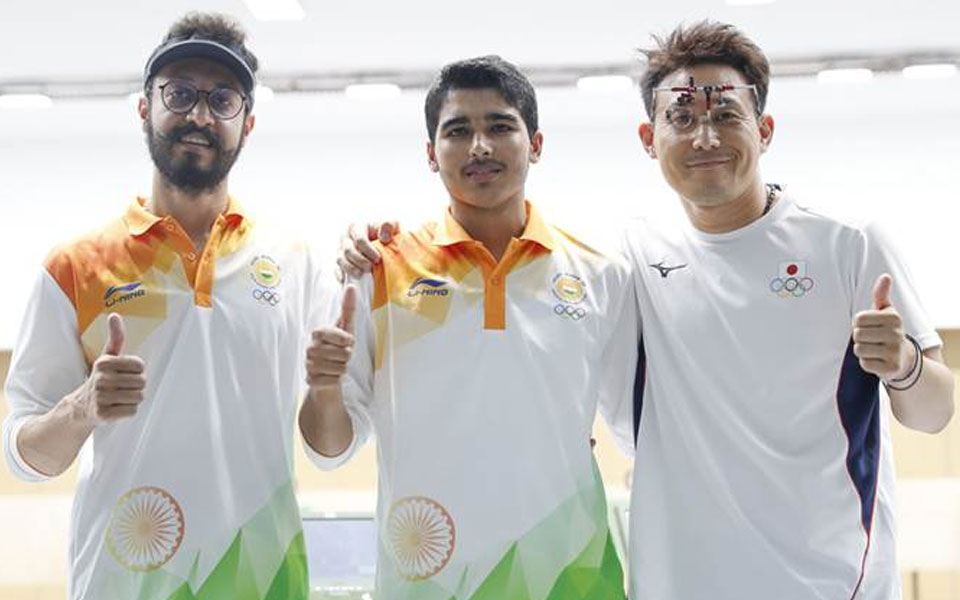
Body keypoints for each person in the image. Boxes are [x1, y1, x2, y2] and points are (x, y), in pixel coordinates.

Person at [338, 22, 955, 600]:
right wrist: (373, 240)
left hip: (828, 581)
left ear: (764, 130)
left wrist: (901, 365)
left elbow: (935, 412)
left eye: (726, 115)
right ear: (649, 138)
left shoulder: (848, 245)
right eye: (682, 117)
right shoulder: (627, 263)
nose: (705, 137)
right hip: (677, 581)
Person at [2, 13, 332, 600]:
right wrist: (83, 407)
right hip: (122, 584)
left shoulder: (295, 262)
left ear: (247, 124)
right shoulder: (75, 266)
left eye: (222, 99)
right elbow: (27, 459)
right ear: (144, 108)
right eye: (179, 94)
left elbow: (330, 440)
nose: (200, 115)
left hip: (265, 581)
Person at [299, 55, 638, 600]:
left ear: (537, 144)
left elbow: (641, 434)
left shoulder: (599, 274)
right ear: (432, 155)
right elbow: (329, 451)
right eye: (458, 131)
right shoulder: (379, 271)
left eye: (500, 126)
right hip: (427, 583)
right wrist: (321, 389)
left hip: (573, 580)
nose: (479, 146)